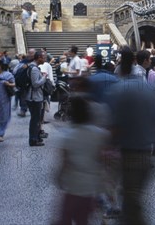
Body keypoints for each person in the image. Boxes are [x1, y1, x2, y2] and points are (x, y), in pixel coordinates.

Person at [108, 48, 155, 225]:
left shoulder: (117, 90)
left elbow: (113, 125)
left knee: (131, 200)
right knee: (132, 196)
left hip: (127, 153)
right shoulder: (147, 89)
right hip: (145, 152)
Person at [56, 95, 110, 225]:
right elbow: (102, 160)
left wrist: (59, 177)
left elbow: (65, 163)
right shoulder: (99, 134)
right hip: (90, 187)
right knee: (83, 219)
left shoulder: (67, 136)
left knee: (66, 218)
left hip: (72, 186)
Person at [25, 51, 48, 146]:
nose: (45, 59)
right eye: (43, 57)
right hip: (34, 98)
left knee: (36, 119)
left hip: (34, 97)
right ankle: (33, 140)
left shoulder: (32, 67)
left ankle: (36, 137)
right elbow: (35, 84)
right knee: (35, 119)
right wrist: (44, 77)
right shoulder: (34, 68)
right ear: (39, 57)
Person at [0, 59, 15, 142]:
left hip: (5, 99)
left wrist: (8, 84)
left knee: (4, 115)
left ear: (0, 66)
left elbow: (14, 84)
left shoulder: (8, 75)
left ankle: (0, 133)